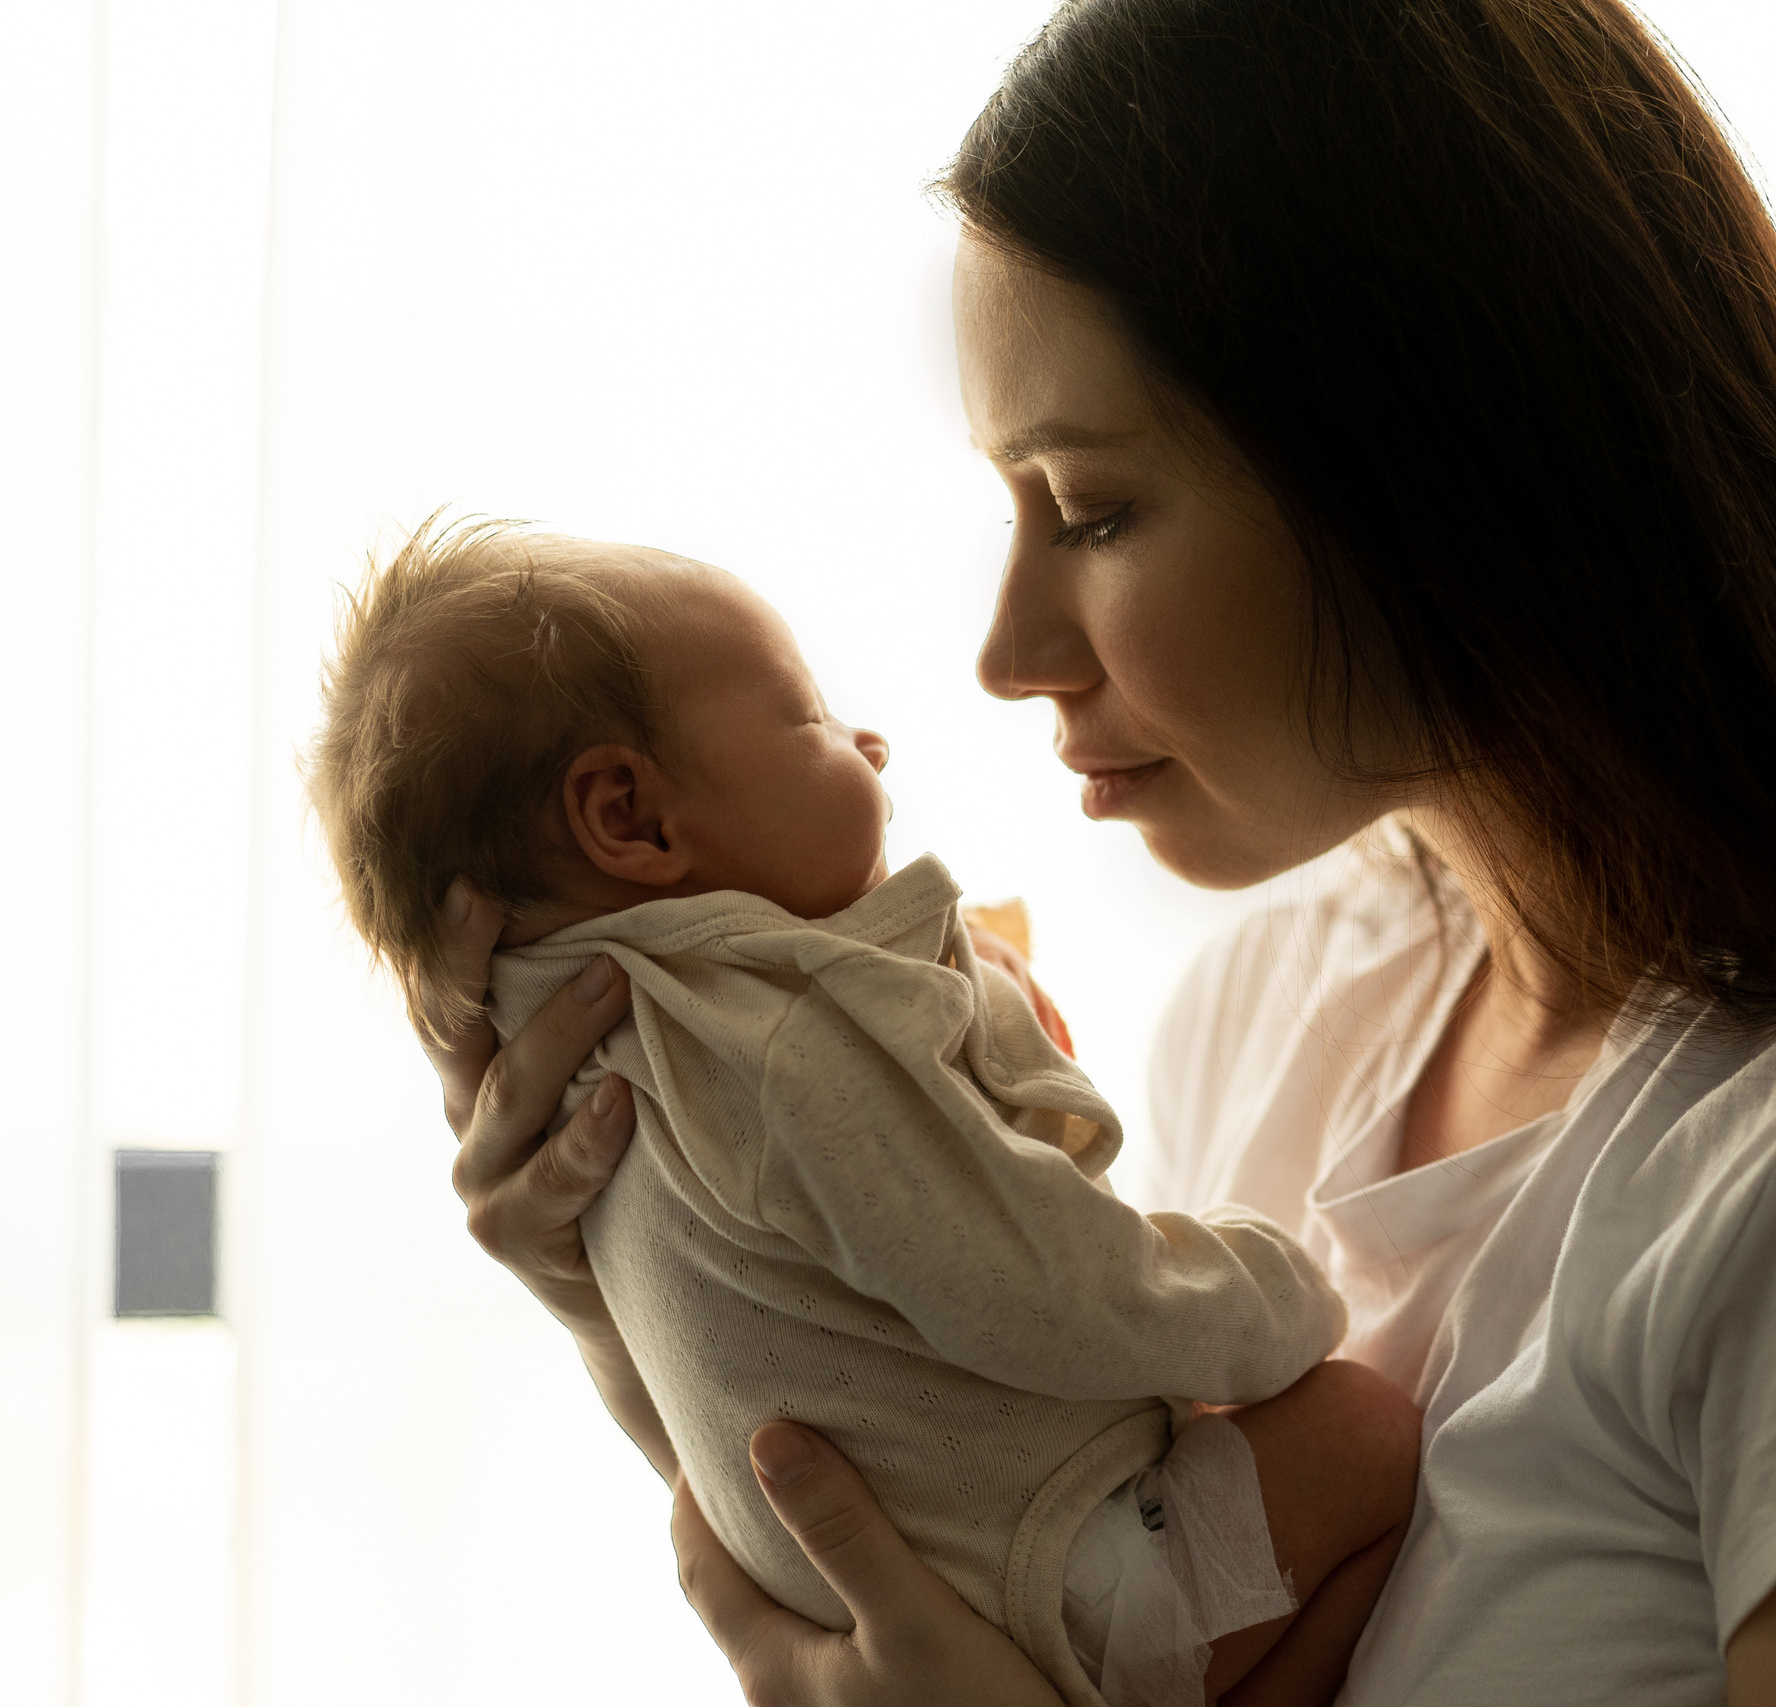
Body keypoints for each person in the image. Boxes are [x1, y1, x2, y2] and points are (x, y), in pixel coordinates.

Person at [430, 2, 1776, 1703]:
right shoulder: (1280, 1008)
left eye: (1092, 508)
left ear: (1433, 475)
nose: (1003, 647)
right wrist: (637, 1277)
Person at [309, 522, 1418, 1707]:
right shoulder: (774, 1041)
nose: (870, 742)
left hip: (914, 1609)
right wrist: (1272, 1296)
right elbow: (1033, 1279)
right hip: (1054, 1579)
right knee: (1360, 1427)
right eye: (813, 720)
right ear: (630, 819)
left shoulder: (596, 1057)